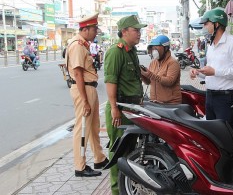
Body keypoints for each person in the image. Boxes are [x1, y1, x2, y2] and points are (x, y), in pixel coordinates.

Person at [190, 9, 233, 180]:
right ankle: (217, 176)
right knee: (212, 140)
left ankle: (232, 178)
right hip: (211, 96)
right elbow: (211, 72)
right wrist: (198, 72)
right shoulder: (211, 46)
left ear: (217, 24)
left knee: (227, 141)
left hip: (226, 97)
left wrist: (216, 71)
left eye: (206, 23)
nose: (204, 27)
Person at [104, 15, 147, 195]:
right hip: (120, 109)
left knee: (131, 151)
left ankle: (126, 186)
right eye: (136, 30)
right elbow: (111, 82)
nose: (139, 33)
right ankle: (116, 191)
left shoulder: (132, 51)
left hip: (132, 109)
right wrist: (114, 108)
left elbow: (137, 78)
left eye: (139, 30)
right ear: (124, 32)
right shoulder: (116, 51)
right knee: (118, 152)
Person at [66, 12, 108, 177]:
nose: (96, 31)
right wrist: (84, 101)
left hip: (90, 88)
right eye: (94, 28)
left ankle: (99, 158)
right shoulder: (77, 45)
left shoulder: (83, 45)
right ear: (86, 29)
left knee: (93, 126)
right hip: (83, 89)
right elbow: (77, 74)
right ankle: (80, 167)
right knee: (81, 127)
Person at [140, 35, 181, 104]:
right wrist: (142, 75)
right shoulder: (153, 62)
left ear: (166, 48)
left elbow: (170, 81)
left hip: (170, 103)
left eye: (156, 47)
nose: (154, 51)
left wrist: (150, 75)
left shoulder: (173, 62)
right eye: (152, 48)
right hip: (155, 102)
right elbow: (149, 82)